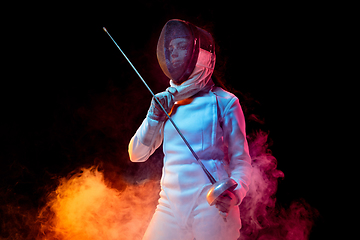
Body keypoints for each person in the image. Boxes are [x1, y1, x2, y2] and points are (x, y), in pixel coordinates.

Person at [128, 19, 252, 240]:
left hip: (211, 206)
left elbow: (241, 160)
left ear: (203, 55)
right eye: (171, 48)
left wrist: (235, 193)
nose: (174, 53)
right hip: (169, 206)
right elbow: (136, 154)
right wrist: (153, 118)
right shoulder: (165, 103)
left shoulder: (225, 102)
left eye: (182, 46)